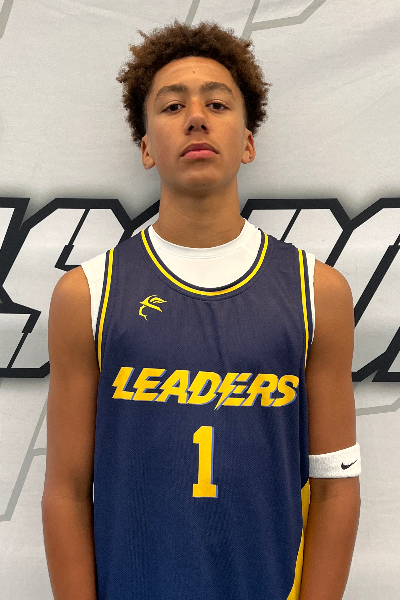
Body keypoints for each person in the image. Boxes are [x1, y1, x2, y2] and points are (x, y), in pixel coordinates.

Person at [41, 20, 361, 600]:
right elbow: (65, 489)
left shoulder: (318, 293)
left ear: (248, 143)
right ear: (146, 147)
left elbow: (336, 486)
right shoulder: (87, 294)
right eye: (171, 106)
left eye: (217, 103)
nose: (195, 117)